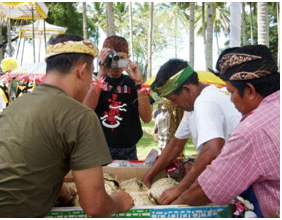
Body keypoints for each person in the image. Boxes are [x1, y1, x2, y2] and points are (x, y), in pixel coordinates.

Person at [0, 33, 134, 218]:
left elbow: (29, 162)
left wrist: (62, 192)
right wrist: (118, 202)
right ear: (82, 71)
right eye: (91, 75)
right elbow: (95, 206)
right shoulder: (81, 116)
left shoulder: (17, 106)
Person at [168, 45, 280, 218]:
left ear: (249, 90)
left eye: (232, 92)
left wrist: (178, 201)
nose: (231, 99)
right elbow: (176, 143)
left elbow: (212, 188)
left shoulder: (251, 132)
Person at [143, 58, 241, 205]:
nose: (175, 105)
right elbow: (176, 144)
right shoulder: (195, 103)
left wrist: (180, 188)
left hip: (237, 179)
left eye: (174, 99)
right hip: (229, 175)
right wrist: (150, 175)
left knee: (180, 203)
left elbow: (213, 149)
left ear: (188, 89)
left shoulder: (204, 102)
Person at [83, 35, 152, 160]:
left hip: (129, 150)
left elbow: (147, 118)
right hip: (99, 149)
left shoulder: (133, 82)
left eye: (120, 59)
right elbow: (85, 111)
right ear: (103, 58)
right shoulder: (91, 80)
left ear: (128, 59)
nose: (116, 64)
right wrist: (100, 75)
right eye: (112, 59)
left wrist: (138, 85)